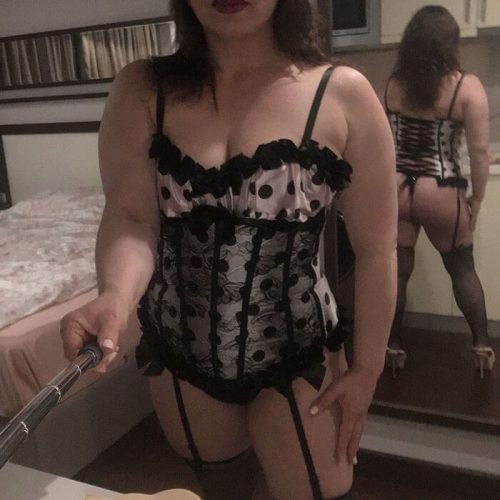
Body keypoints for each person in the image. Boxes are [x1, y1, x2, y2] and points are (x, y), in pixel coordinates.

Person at [60, 1, 397, 499]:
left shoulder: (343, 92)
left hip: (299, 352)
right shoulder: (142, 90)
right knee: (221, 492)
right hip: (182, 349)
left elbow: (377, 247)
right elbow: (132, 219)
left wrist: (368, 369)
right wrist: (115, 294)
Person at [384, 5, 495, 378]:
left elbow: (387, 143)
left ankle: (393, 346)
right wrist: (477, 198)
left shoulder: (395, 83)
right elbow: (479, 153)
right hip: (442, 190)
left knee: (398, 271)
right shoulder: (466, 87)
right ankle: (481, 347)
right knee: (462, 269)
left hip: (397, 188)